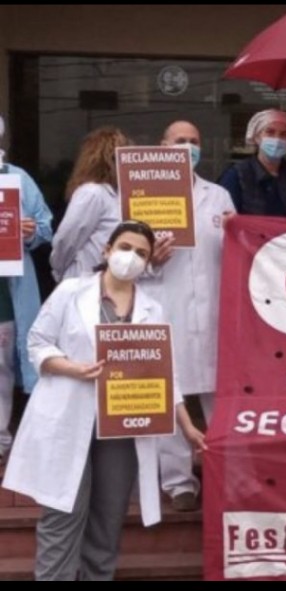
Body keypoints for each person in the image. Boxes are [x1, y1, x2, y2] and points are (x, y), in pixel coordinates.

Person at [1, 220, 206, 580]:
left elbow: (163, 374)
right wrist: (72, 368)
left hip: (122, 425)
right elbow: (37, 342)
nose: (131, 257)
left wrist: (187, 426)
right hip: (69, 417)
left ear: (148, 262)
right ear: (107, 250)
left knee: (108, 519)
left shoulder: (152, 309)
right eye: (125, 248)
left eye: (141, 253)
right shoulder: (71, 291)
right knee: (62, 515)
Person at [145, 121, 236, 512]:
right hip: (167, 307)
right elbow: (123, 260)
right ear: (162, 147)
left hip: (214, 311)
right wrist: (150, 260)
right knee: (171, 392)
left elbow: (238, 253)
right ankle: (179, 482)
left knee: (221, 397)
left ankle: (224, 475)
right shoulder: (144, 199)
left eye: (194, 141)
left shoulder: (218, 196)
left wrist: (237, 233)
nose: (187, 147)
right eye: (179, 141)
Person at [0, 114, 55, 464]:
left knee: (0, 369)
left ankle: (0, 441)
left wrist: (30, 230)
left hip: (5, 293)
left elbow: (46, 226)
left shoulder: (17, 180)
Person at [50, 127, 133, 282]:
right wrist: (59, 270)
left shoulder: (119, 195)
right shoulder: (92, 193)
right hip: (86, 281)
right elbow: (66, 240)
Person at [218, 109, 286, 219]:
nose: (277, 139)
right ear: (257, 137)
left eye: (283, 134)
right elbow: (224, 217)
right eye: (270, 132)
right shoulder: (236, 175)